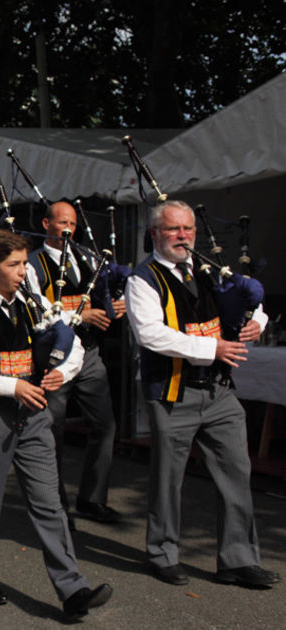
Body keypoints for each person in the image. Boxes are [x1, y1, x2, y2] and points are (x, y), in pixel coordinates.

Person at [0, 229, 111, 619]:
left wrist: (62, 373)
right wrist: (12, 385)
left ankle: (72, 588)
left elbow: (72, 345)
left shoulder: (36, 306)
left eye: (24, 263)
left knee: (49, 504)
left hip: (35, 417)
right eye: (14, 264)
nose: (23, 271)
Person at [125, 199, 280, 589]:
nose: (183, 237)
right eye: (174, 230)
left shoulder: (209, 269)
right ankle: (162, 553)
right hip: (173, 393)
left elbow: (252, 300)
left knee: (236, 474)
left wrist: (255, 323)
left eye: (188, 230)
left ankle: (238, 560)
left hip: (220, 393)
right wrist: (214, 349)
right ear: (155, 234)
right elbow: (150, 334)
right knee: (167, 479)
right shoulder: (141, 279)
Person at [27, 201, 123, 526]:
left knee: (104, 424)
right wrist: (81, 314)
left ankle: (92, 499)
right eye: (62, 222)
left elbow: (101, 297)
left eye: (73, 223)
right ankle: (56, 507)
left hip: (90, 352)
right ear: (46, 224)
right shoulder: (32, 265)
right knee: (52, 431)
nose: (69, 229)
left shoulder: (87, 258)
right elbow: (38, 309)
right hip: (55, 356)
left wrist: (113, 307)